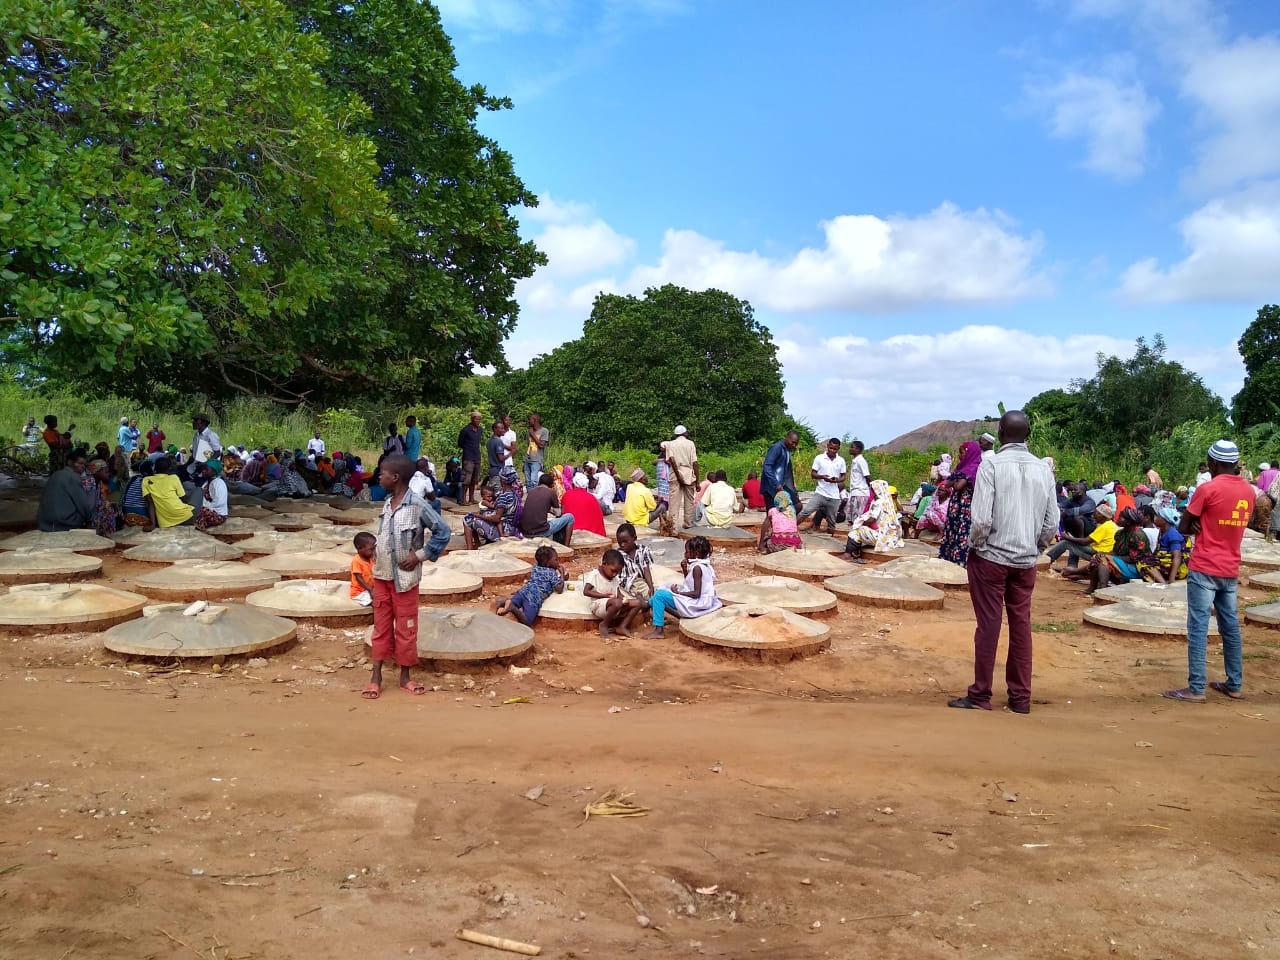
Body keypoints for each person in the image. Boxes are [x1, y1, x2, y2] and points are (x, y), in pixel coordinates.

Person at [948, 411, 1058, 714]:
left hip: (991, 558)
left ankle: (981, 694)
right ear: (1028, 434)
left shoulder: (991, 465)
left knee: (988, 625)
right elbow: (1051, 523)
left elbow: (981, 518)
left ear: (999, 432)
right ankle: (1020, 698)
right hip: (1025, 561)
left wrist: (976, 545)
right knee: (1021, 625)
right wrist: (1035, 546)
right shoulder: (1043, 469)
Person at [1164, 440, 1254, 704]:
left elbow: (1183, 525)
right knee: (1231, 628)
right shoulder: (1248, 491)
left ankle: (1196, 688)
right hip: (1230, 567)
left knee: (1198, 627)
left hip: (1204, 566)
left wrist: (1197, 525)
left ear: (1213, 463)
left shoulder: (1208, 488)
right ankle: (1234, 684)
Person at [362, 455, 452, 700]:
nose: (378, 477)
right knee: (381, 628)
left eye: (382, 473)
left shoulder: (417, 505)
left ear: (396, 477)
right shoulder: (387, 503)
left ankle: (405, 676)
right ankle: (376, 676)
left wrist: (420, 555)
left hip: (405, 580)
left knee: (406, 628)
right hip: (381, 576)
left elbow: (443, 531)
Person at [645, 536, 720, 638]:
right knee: (664, 588)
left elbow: (696, 593)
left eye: (687, 552)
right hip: (701, 601)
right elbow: (690, 584)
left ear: (696, 554)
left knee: (659, 595)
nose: (685, 554)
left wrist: (678, 593)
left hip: (698, 604)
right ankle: (652, 609)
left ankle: (659, 631)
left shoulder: (697, 568)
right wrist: (685, 570)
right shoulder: (702, 565)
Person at [1082, 507, 1150, 595]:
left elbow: (1134, 559)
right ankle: (1093, 587)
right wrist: (1103, 554)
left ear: (1128, 522)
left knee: (1104, 560)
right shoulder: (1120, 533)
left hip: (1137, 567)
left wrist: (1109, 557)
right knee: (1098, 557)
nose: (1117, 517)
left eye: (1121, 517)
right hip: (1124, 563)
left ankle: (1103, 589)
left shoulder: (1138, 536)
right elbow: (1115, 551)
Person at [495, 544, 565, 626]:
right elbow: (559, 589)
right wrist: (562, 574)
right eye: (556, 560)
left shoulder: (535, 567)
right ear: (548, 563)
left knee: (514, 602)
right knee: (527, 621)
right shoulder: (551, 573)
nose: (558, 561)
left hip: (523, 592)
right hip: (533, 598)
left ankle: (500, 601)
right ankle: (512, 608)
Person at [840, 479, 903, 562]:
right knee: (863, 530)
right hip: (891, 537)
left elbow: (871, 518)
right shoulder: (889, 502)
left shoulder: (878, 503)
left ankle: (847, 554)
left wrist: (862, 524)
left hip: (882, 537)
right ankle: (856, 552)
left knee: (856, 532)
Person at [1054, 503, 1116, 578]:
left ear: (1101, 515)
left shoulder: (1105, 527)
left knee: (1066, 543)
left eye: (1095, 513)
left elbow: (1085, 542)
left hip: (1098, 553)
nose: (1093, 516)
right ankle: (1071, 567)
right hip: (1104, 552)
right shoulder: (1111, 524)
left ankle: (1049, 559)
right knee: (1074, 545)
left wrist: (1067, 537)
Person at [798, 438, 846, 534]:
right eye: (831, 448)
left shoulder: (841, 460)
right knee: (806, 512)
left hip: (834, 495)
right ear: (827, 446)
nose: (832, 450)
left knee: (832, 521)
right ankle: (789, 530)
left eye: (835, 449)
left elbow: (844, 476)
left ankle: (830, 539)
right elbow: (813, 474)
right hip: (821, 492)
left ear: (838, 448)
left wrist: (837, 480)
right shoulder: (819, 458)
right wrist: (822, 477)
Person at [616, 523, 656, 635]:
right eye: (620, 542)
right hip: (624, 586)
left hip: (640, 583)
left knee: (656, 596)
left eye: (625, 541)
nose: (622, 545)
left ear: (634, 539)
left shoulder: (643, 550)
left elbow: (646, 569)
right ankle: (643, 606)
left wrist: (650, 586)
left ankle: (661, 617)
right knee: (637, 603)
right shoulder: (617, 554)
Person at [583, 549, 630, 638]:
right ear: (604, 564)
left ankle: (622, 626)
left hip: (614, 605)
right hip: (598, 605)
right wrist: (604, 596)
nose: (614, 574)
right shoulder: (595, 575)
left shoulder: (615, 578)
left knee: (638, 603)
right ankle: (604, 625)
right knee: (616, 603)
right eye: (613, 571)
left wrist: (623, 598)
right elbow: (586, 591)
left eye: (617, 572)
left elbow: (618, 593)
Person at [1140, 506, 1190, 583]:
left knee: (1143, 562)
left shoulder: (1172, 533)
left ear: (1165, 520)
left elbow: (1177, 556)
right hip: (1166, 563)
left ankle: (1163, 583)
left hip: (1178, 569)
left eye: (1159, 516)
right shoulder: (1162, 532)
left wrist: (1171, 579)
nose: (1155, 518)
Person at [521, 473, 575, 545]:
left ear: (539, 482)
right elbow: (558, 514)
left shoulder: (531, 492)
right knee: (570, 517)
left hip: (526, 531)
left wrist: (548, 509)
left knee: (550, 521)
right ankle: (566, 546)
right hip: (540, 531)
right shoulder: (551, 492)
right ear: (551, 484)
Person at [143, 457, 195, 528]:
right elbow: (184, 499)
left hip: (165, 523)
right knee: (198, 490)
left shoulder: (146, 480)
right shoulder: (174, 478)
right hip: (185, 517)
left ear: (154, 468)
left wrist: (153, 524)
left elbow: (150, 503)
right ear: (169, 469)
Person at [665, 425, 699, 530]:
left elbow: (671, 460)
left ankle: (673, 527)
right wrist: (697, 480)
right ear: (685, 433)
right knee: (689, 499)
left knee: (674, 502)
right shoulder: (690, 444)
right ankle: (688, 523)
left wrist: (678, 475)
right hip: (688, 473)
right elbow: (695, 463)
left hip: (674, 474)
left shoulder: (670, 444)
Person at [760, 431, 801, 516]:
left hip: (781, 486)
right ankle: (773, 527)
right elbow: (767, 466)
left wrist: (793, 490)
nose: (794, 445)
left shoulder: (787, 450)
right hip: (770, 487)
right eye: (792, 442)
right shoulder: (777, 448)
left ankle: (784, 525)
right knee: (772, 514)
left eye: (796, 443)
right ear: (786, 438)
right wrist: (776, 484)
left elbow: (788, 473)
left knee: (797, 505)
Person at [757, 489, 803, 553]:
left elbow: (772, 524)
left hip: (779, 545)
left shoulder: (772, 511)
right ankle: (793, 547)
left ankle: (768, 549)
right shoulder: (792, 511)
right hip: (796, 544)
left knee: (768, 539)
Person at [563, 472, 606, 536]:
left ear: (574, 484)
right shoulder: (592, 498)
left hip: (573, 531)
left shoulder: (567, 495)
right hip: (595, 533)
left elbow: (563, 513)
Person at [457, 411, 484, 504]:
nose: (478, 421)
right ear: (472, 419)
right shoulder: (465, 430)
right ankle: (463, 499)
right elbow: (460, 443)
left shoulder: (480, 430)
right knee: (466, 479)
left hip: (477, 457)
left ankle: (471, 498)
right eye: (476, 419)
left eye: (479, 419)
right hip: (468, 457)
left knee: (474, 479)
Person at [194, 459, 229, 531]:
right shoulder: (207, 482)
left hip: (219, 515)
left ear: (214, 471)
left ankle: (201, 532)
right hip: (210, 511)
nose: (203, 471)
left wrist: (204, 506)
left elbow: (220, 502)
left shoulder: (219, 483)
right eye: (203, 469)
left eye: (206, 469)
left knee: (198, 511)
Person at [120, 460, 153, 528]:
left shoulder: (134, 479)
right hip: (141, 512)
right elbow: (150, 502)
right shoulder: (149, 481)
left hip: (127, 511)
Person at [846, 440, 872, 520]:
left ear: (858, 449)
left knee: (858, 519)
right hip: (855, 492)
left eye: (852, 447)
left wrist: (872, 488)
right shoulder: (855, 461)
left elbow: (867, 476)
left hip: (861, 493)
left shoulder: (861, 461)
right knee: (852, 518)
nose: (850, 449)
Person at [349, 532, 376, 607]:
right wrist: (370, 590)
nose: (374, 551)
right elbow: (359, 578)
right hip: (359, 592)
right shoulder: (357, 560)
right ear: (360, 548)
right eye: (371, 549)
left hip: (370, 589)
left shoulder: (371, 559)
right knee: (376, 602)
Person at [523, 414, 549, 487]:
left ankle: (535, 497)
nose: (528, 421)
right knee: (528, 482)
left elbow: (541, 445)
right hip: (527, 459)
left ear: (535, 420)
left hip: (536, 460)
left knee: (533, 481)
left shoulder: (544, 431)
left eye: (530, 419)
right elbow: (529, 445)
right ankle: (530, 497)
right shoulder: (529, 431)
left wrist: (532, 434)